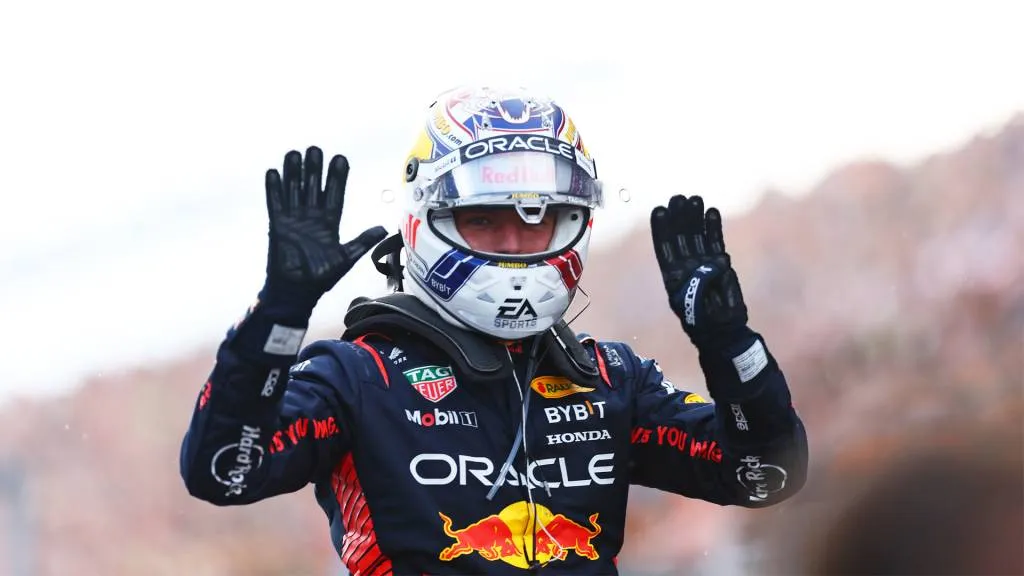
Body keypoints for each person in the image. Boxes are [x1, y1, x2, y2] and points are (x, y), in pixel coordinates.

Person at [179, 86, 809, 575]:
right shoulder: (358, 379)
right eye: (484, 221)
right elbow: (220, 470)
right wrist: (279, 312)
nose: (514, 248)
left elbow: (766, 474)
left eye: (536, 223)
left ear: (574, 223)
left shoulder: (612, 380)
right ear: (426, 223)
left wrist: (729, 346)